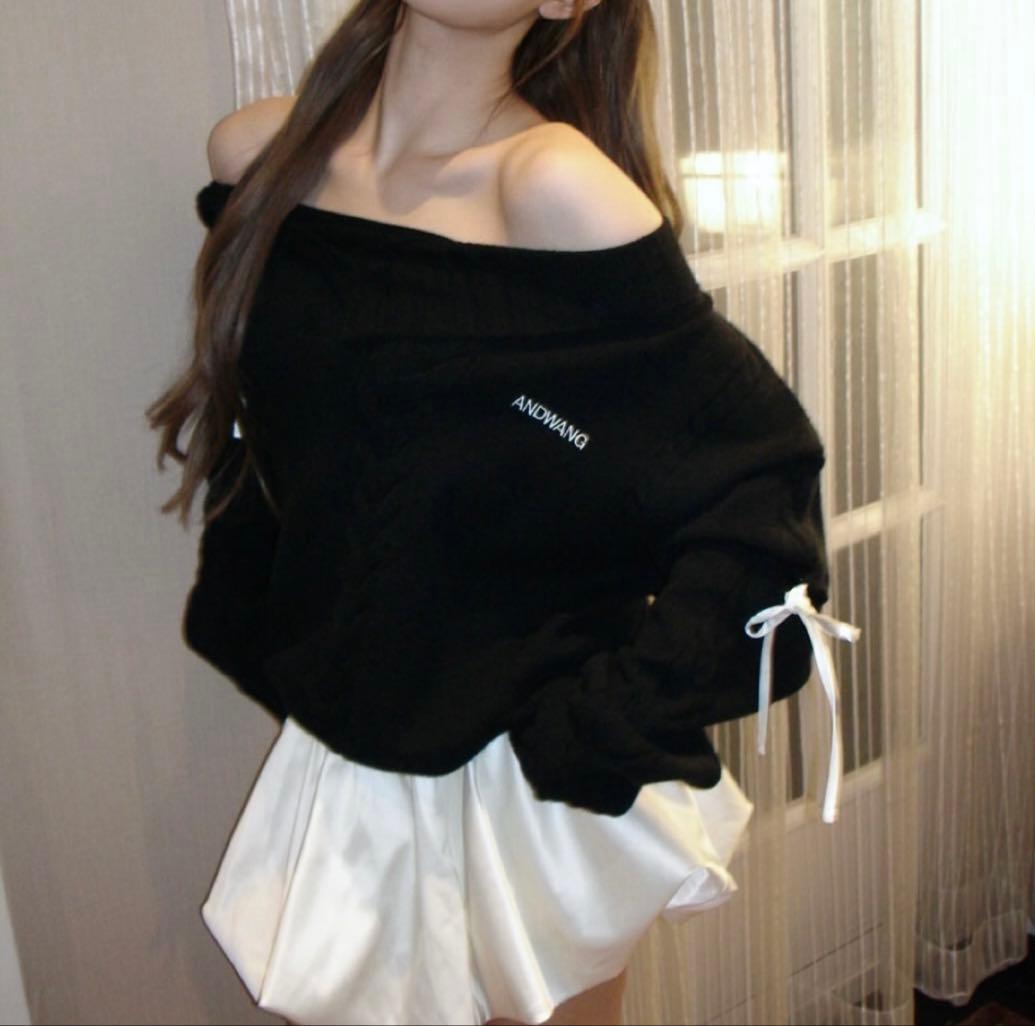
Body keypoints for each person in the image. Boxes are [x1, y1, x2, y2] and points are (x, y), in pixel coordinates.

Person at [146, 1, 860, 1023]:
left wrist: (600, 722)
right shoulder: (264, 153)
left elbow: (759, 490)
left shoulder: (552, 185)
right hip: (355, 745)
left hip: (519, 787)